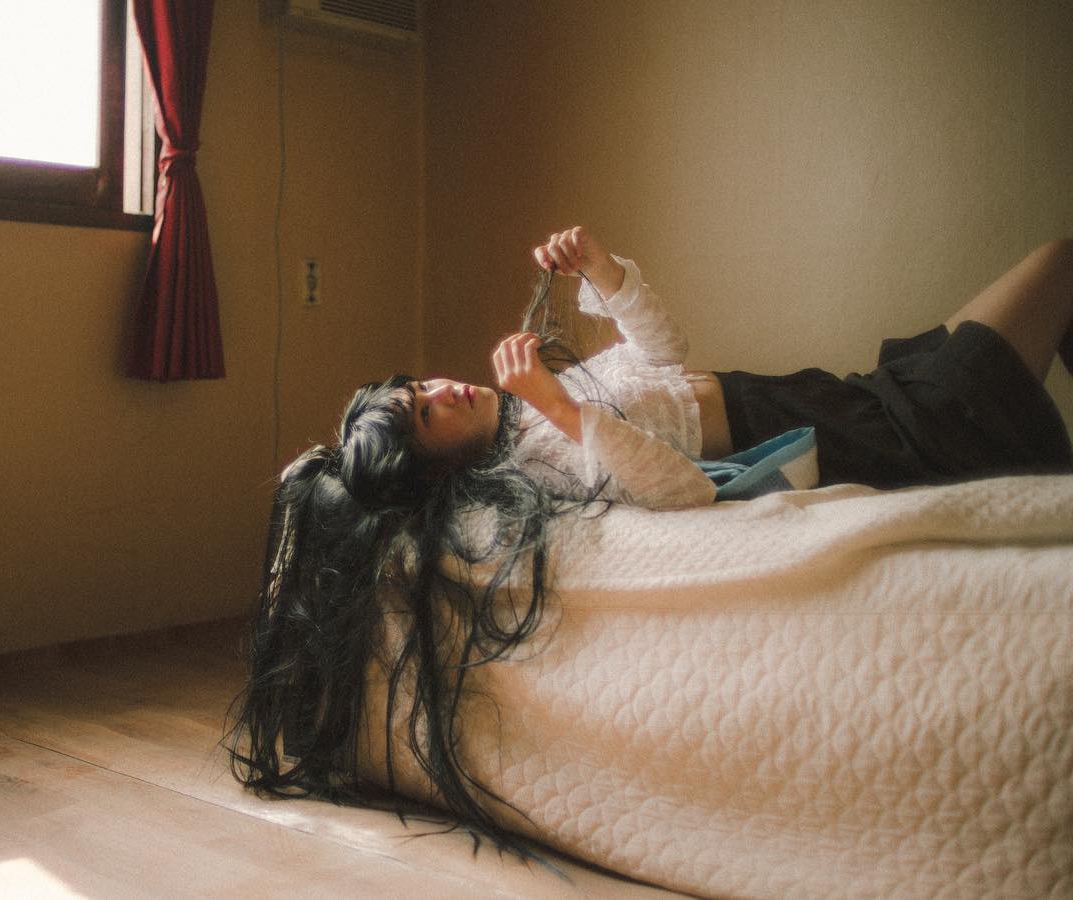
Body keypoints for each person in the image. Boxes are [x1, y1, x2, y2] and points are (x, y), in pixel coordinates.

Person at [229, 227, 1073, 859]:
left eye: (421, 386)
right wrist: (564, 410)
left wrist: (604, 272)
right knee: (1059, 263)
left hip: (840, 394)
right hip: (875, 433)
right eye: (426, 413)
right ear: (437, 468)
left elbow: (664, 356)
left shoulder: (532, 408)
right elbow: (682, 489)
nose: (443, 388)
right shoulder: (542, 459)